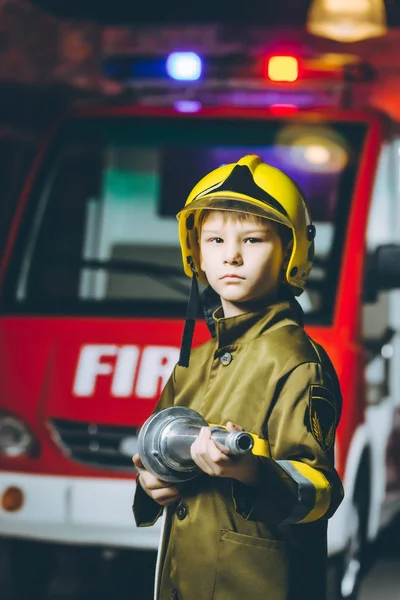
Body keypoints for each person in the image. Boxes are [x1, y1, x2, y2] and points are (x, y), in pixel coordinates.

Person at [132, 155, 344, 600]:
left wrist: (253, 470)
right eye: (214, 239)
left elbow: (320, 493)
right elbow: (161, 454)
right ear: (196, 254)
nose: (231, 255)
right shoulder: (194, 360)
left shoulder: (297, 361)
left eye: (252, 239)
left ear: (291, 252)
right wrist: (151, 482)